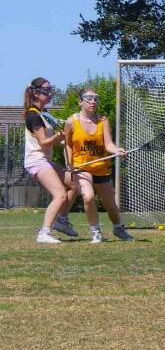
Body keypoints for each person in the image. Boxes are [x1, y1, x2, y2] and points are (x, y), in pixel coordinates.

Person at [64, 88, 134, 243]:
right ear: (80, 101)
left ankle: (118, 228)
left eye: (96, 98)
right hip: (81, 166)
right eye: (88, 98)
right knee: (88, 197)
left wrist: (117, 150)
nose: (93, 101)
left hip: (101, 167)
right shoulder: (71, 121)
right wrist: (69, 163)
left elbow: (108, 144)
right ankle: (95, 232)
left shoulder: (103, 120)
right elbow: (67, 145)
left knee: (110, 205)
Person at [22, 77, 78, 243]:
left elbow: (52, 141)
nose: (50, 93)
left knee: (75, 185)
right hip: (36, 161)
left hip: (45, 160)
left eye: (51, 89)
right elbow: (44, 143)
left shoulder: (44, 114)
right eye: (47, 90)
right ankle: (44, 233)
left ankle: (61, 221)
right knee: (60, 195)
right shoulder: (34, 116)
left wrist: (66, 140)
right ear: (36, 93)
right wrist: (58, 137)